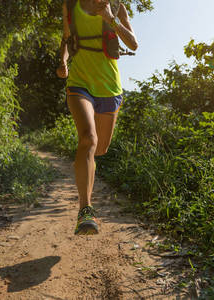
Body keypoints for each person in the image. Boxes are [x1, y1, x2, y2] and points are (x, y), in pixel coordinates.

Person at [56, 0, 138, 235]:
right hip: (79, 83)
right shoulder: (71, 6)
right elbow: (66, 37)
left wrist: (110, 18)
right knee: (88, 139)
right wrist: (63, 60)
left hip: (110, 89)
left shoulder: (117, 6)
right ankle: (86, 211)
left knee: (100, 149)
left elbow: (133, 44)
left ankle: (88, 168)